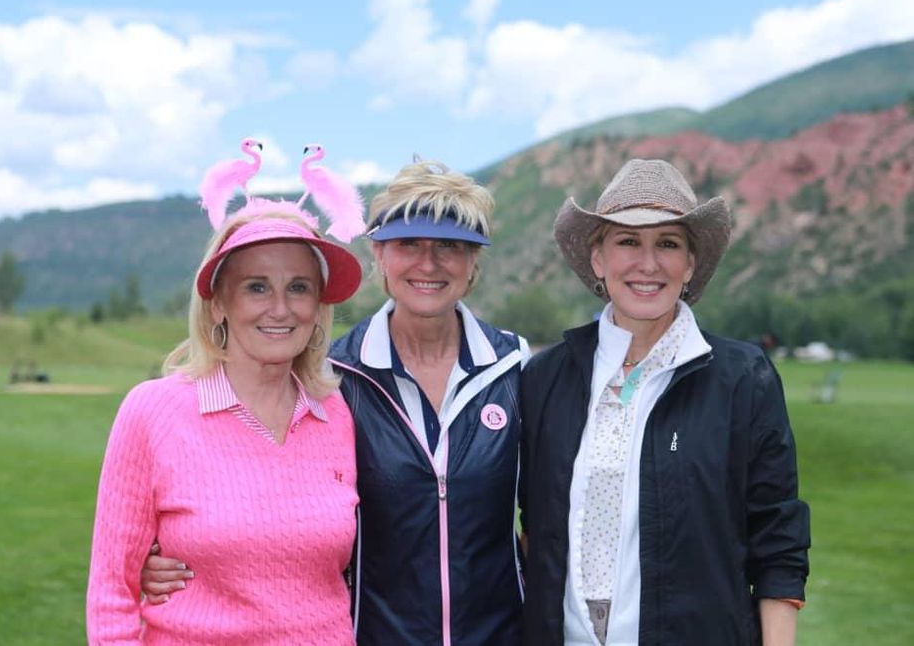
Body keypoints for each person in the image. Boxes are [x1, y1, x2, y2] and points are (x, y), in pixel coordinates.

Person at [142, 160, 530, 645]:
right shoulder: (331, 377)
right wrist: (169, 554)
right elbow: (262, 500)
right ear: (379, 254)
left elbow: (548, 516)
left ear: (474, 261)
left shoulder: (517, 365)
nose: (428, 263)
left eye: (450, 245)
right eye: (409, 243)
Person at [519, 159, 810, 646]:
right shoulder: (546, 377)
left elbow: (778, 540)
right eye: (628, 241)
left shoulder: (742, 377)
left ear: (690, 264)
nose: (648, 264)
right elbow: (534, 529)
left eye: (668, 244)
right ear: (598, 258)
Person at [86, 208, 364, 645]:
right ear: (218, 304)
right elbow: (111, 592)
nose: (280, 308)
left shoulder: (337, 414)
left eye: (299, 288)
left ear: (318, 305)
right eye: (257, 287)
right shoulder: (153, 410)